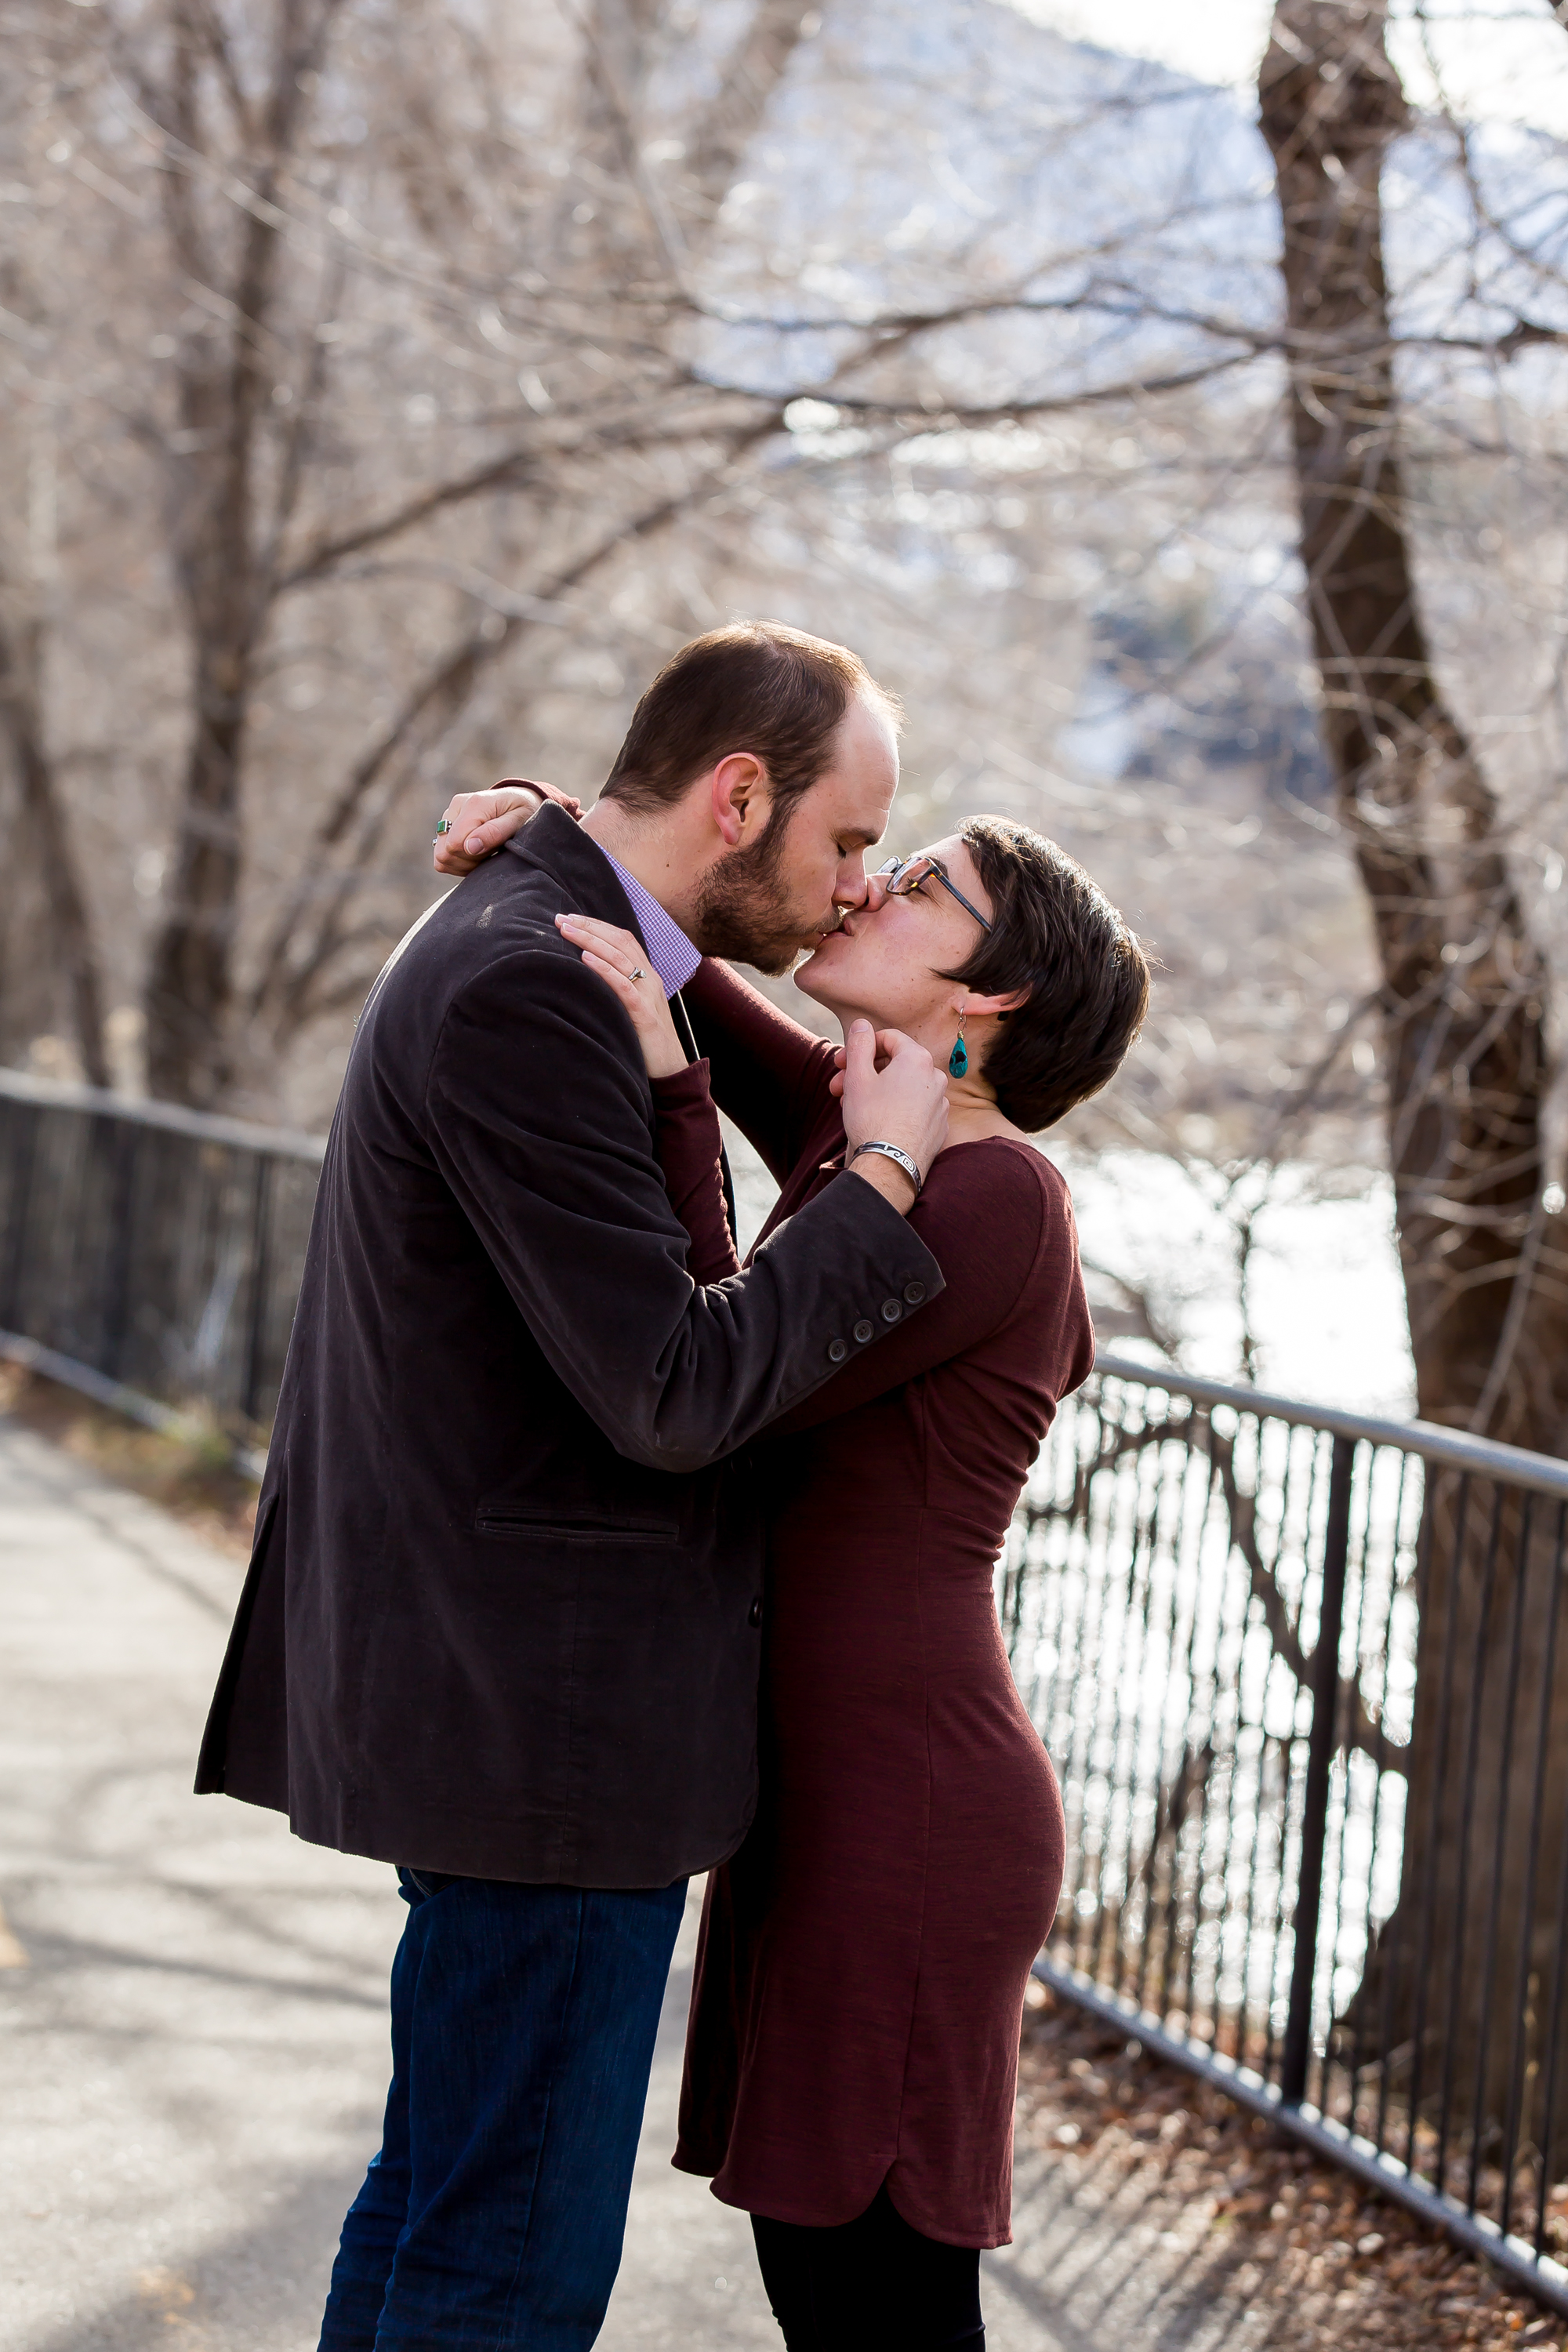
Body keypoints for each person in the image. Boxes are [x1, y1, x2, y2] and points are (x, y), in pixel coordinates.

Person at [193, 622, 952, 2352]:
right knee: (509, 2263)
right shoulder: (535, 975)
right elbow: (675, 1389)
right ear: (737, 795)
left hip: (505, 1708)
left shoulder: (551, 933)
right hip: (546, 1731)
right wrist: (887, 1178)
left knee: (443, 2204)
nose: (851, 889)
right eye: (846, 841)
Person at [445, 787, 1149, 2350]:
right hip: (821, 1800)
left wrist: (673, 1096)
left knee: (876, 2305)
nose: (864, 890)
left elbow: (712, 1375)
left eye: (916, 887)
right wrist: (571, 829)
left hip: (909, 1812)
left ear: (991, 996)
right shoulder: (877, 1135)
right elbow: (695, 975)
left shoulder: (986, 1195)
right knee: (815, 2275)